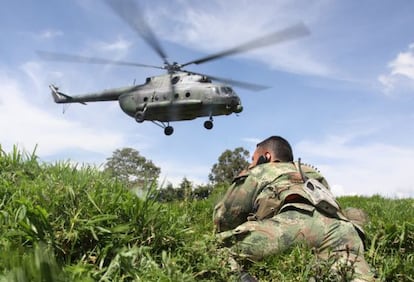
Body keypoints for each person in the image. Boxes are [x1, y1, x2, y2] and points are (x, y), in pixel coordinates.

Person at [213, 136, 376, 281]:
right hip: (342, 229)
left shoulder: (261, 170)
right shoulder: (312, 173)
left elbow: (224, 217)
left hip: (295, 225)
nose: (251, 164)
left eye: (254, 159)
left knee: (215, 249)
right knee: (353, 274)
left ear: (266, 157)